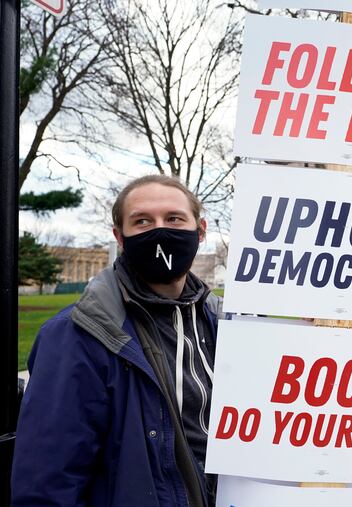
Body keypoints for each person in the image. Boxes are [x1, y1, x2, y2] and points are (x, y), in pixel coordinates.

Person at [12, 175, 223, 507]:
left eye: (174, 219)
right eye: (142, 221)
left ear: (200, 231)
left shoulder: (220, 322)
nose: (160, 231)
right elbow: (48, 482)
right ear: (120, 237)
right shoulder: (75, 334)